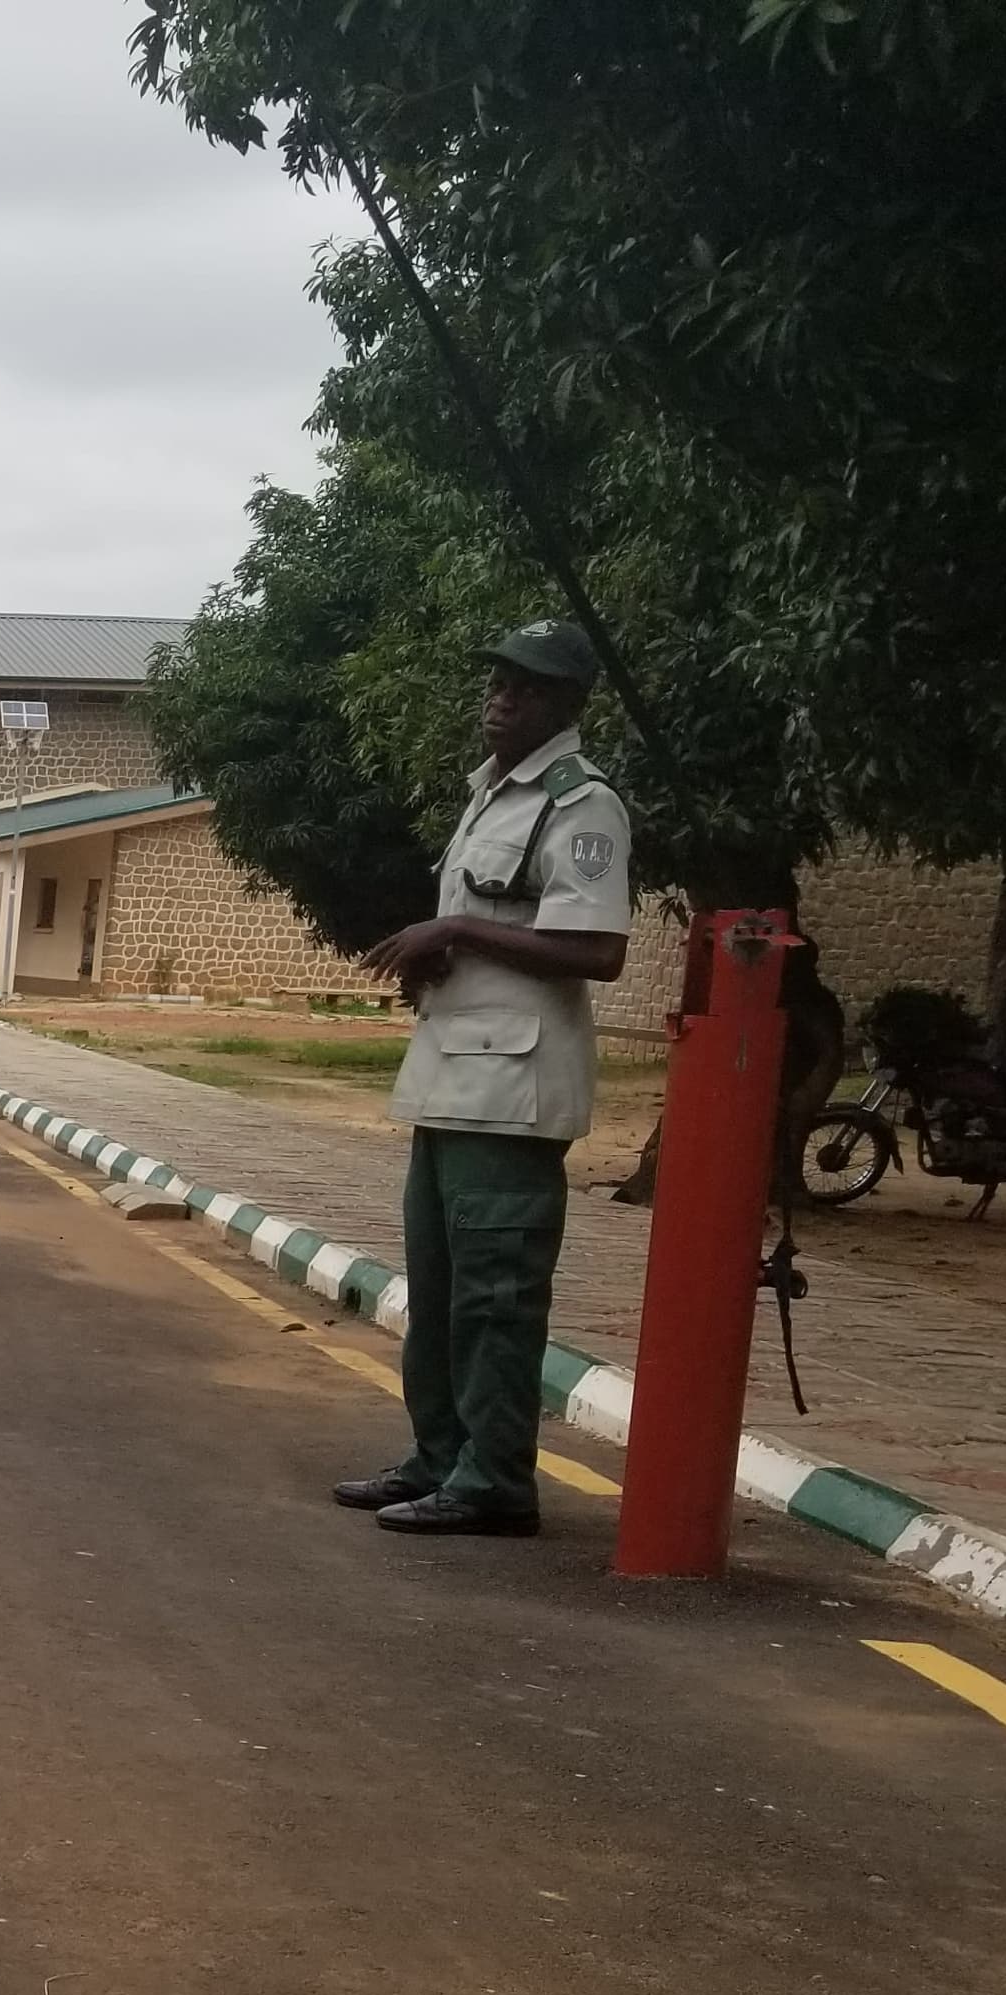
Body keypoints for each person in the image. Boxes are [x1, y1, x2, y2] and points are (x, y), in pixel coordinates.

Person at [333, 622, 634, 1538]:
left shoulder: (581, 804)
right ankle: (440, 1458)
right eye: (498, 680)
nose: (501, 697)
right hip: (450, 1079)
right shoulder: (490, 797)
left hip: (513, 1093)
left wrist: (456, 931)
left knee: (495, 1297)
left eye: (525, 687)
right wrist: (440, 957)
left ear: (566, 703)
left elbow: (599, 949)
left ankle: (495, 1480)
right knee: (438, 1291)